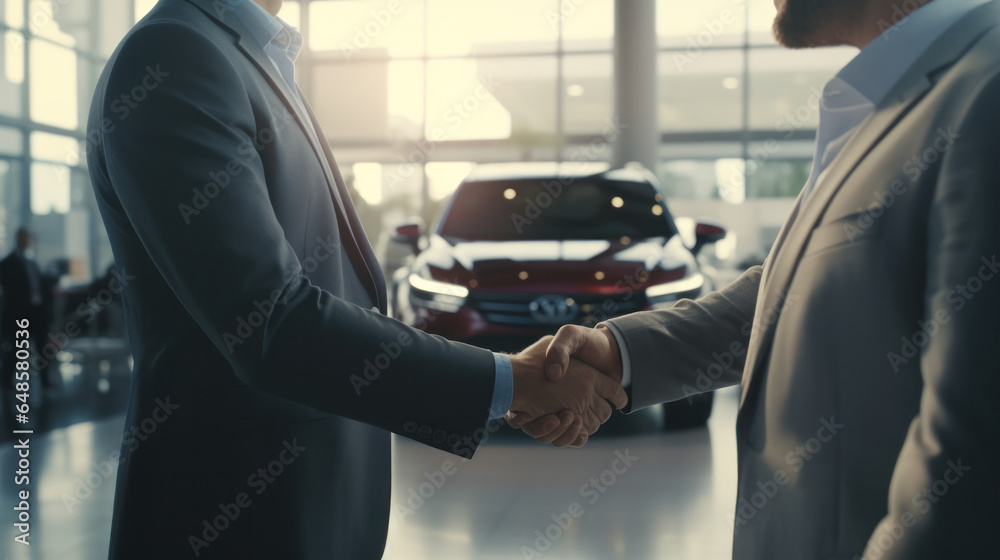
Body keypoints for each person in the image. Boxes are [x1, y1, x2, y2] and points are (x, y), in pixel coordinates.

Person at [86, 0, 624, 558]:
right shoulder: (176, 55)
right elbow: (270, 321)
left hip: (298, 505)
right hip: (234, 514)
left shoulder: (245, 55)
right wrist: (511, 381)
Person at [511, 0, 1000, 558]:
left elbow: (973, 469)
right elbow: (790, 291)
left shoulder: (985, 90)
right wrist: (618, 351)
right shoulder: (890, 97)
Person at [0, 227, 52, 396]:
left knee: (42, 347)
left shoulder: (32, 262)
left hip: (37, 313)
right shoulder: (7, 264)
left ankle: (45, 381)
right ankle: (7, 381)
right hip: (19, 314)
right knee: (17, 348)